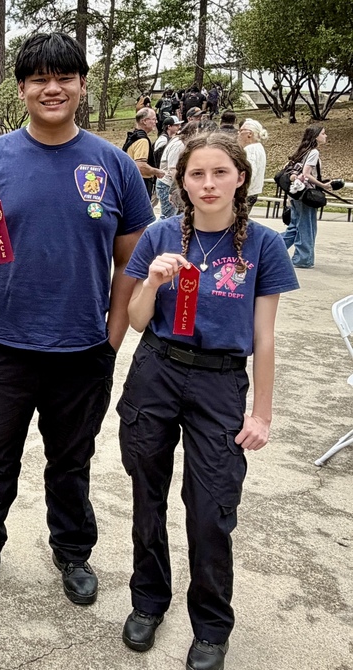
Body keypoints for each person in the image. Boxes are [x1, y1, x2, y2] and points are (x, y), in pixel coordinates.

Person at [0, 32, 154, 606]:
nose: (52, 88)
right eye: (39, 78)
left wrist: (111, 337)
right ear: (22, 89)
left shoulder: (114, 165)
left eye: (64, 78)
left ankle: (73, 552)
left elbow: (131, 263)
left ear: (82, 86)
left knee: (71, 460)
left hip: (82, 350)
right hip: (4, 343)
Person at [117, 131, 298, 670]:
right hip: (157, 370)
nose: (209, 183)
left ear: (240, 178)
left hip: (220, 384)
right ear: (182, 182)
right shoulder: (160, 235)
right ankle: (148, 600)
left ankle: (212, 625)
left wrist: (261, 413)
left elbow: (264, 337)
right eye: (197, 174)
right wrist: (150, 282)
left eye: (220, 172)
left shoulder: (262, 245)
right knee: (147, 492)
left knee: (212, 507)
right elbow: (136, 320)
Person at [282, 125, 331, 269]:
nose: (326, 135)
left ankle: (271, 249)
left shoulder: (302, 151)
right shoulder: (314, 152)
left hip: (296, 193)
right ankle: (303, 259)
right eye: (323, 133)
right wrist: (323, 186)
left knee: (294, 227)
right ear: (316, 136)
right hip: (306, 194)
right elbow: (307, 174)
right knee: (306, 226)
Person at [123, 107, 164, 198]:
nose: (156, 122)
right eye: (153, 119)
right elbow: (140, 166)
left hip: (130, 183)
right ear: (144, 121)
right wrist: (157, 171)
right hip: (141, 184)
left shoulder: (133, 137)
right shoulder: (142, 140)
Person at [154, 116, 182, 219]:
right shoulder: (163, 140)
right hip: (164, 180)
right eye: (176, 125)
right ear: (169, 127)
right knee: (166, 216)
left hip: (164, 179)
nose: (179, 126)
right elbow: (158, 159)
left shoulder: (172, 139)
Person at [238, 119, 268, 212]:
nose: (238, 133)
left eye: (241, 131)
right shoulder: (258, 147)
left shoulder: (251, 150)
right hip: (252, 193)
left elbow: (250, 173)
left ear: (249, 134)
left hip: (247, 193)